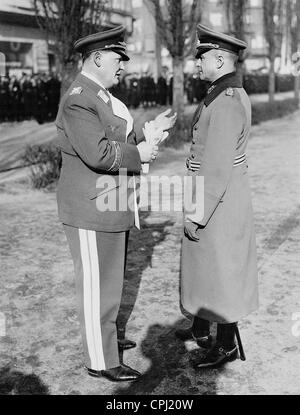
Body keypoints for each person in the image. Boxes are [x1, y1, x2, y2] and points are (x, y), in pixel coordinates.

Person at [55, 25, 176, 382]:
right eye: (117, 58)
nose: (122, 65)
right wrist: (138, 151)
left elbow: (119, 138)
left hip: (108, 204)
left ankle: (106, 339)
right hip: (91, 208)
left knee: (110, 283)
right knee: (97, 286)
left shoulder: (102, 97)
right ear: (96, 59)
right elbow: (98, 153)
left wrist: (148, 132)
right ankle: (101, 359)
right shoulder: (80, 97)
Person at [178, 24, 259, 369]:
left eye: (203, 58)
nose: (197, 64)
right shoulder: (221, 92)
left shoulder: (225, 102)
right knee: (206, 265)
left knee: (221, 269)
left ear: (221, 59)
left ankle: (225, 344)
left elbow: (218, 168)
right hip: (219, 195)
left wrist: (197, 213)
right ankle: (200, 325)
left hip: (218, 199)